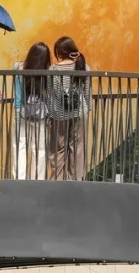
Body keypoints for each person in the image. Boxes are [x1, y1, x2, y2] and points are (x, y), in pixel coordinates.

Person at [48, 36, 91, 181]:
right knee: (77, 146)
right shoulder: (83, 66)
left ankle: (58, 180)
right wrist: (87, 109)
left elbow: (51, 93)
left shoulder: (53, 69)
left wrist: (50, 116)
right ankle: (76, 181)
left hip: (60, 112)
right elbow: (87, 91)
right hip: (80, 111)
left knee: (58, 148)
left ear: (59, 52)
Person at [13, 42, 52, 180]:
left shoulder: (18, 67)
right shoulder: (47, 72)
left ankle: (20, 178)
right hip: (40, 112)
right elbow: (48, 94)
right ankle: (38, 179)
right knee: (39, 148)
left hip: (21, 110)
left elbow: (17, 91)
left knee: (20, 145)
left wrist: (18, 107)